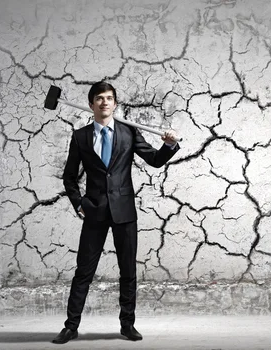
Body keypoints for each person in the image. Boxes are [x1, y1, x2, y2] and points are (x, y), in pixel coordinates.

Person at [52, 81, 180, 344]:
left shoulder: (128, 133)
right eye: (99, 98)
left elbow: (154, 160)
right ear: (91, 104)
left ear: (115, 103)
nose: (105, 102)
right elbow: (69, 178)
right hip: (94, 212)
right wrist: (79, 204)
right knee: (83, 272)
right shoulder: (81, 137)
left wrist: (168, 145)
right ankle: (70, 326)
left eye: (109, 98)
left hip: (124, 212)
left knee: (128, 271)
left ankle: (127, 324)